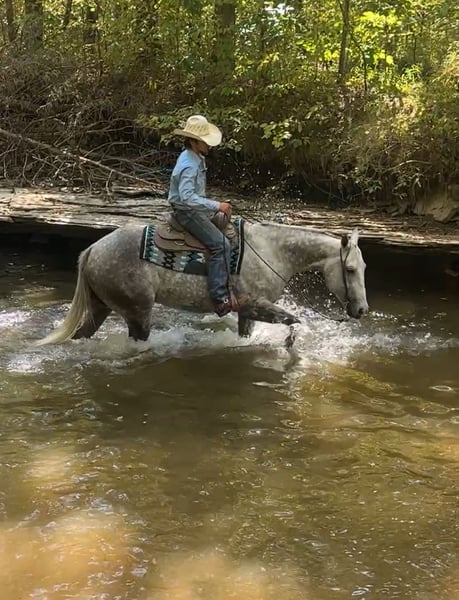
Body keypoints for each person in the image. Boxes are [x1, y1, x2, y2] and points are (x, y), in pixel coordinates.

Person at [168, 115, 244, 317]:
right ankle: (220, 298)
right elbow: (187, 197)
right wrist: (217, 205)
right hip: (187, 212)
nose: (208, 145)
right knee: (221, 245)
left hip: (194, 209)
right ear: (194, 141)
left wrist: (215, 207)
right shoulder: (190, 164)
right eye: (205, 141)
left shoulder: (193, 157)